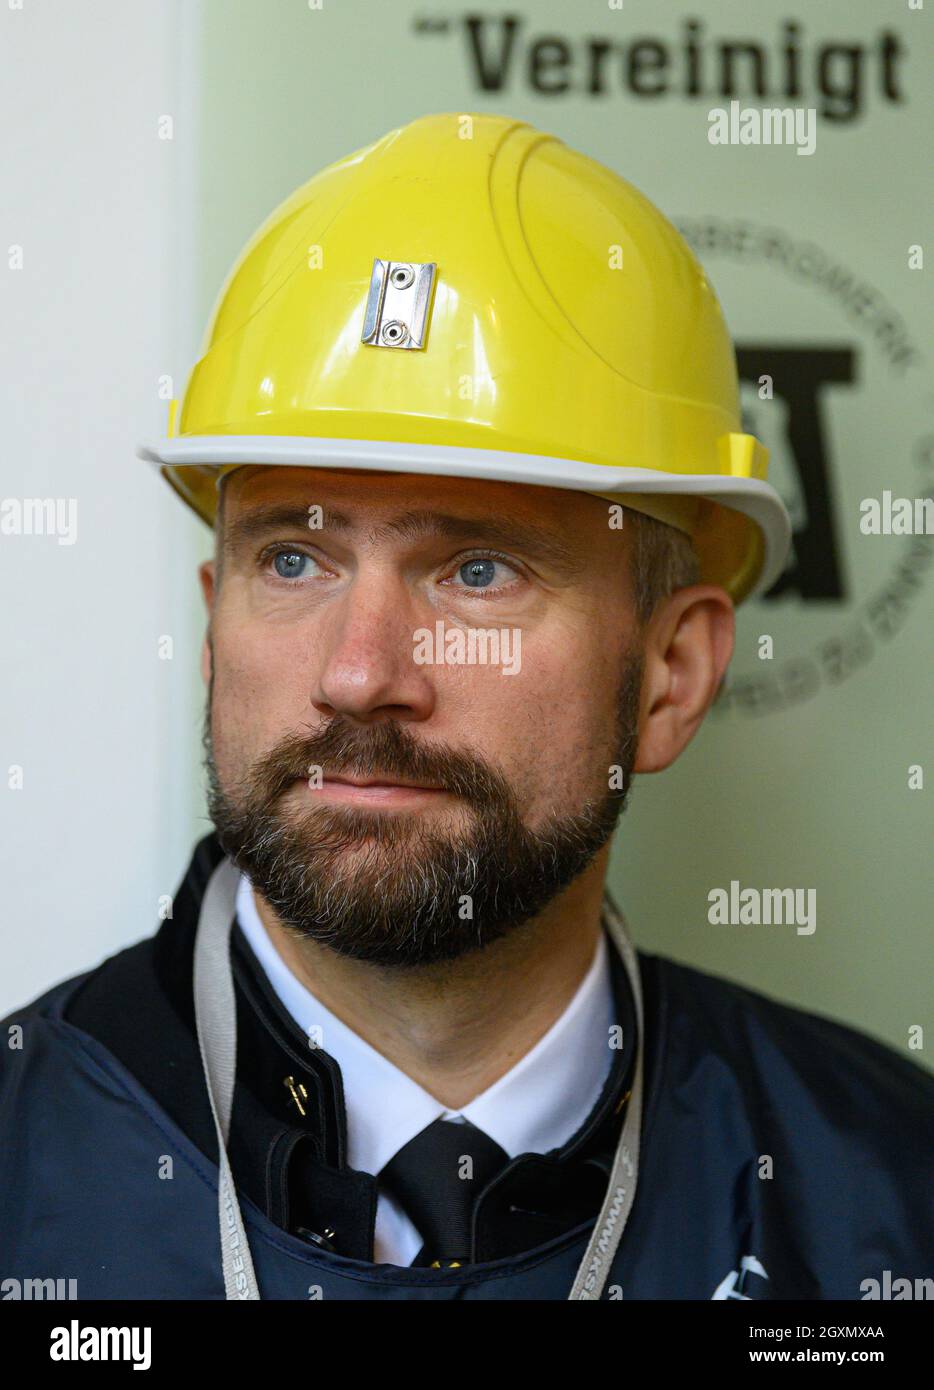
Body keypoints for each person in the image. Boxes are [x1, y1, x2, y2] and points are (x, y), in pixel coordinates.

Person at [2, 112, 931, 1302]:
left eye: (478, 569)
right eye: (293, 559)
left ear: (669, 672)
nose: (358, 672)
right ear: (210, 621)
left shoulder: (888, 1205)